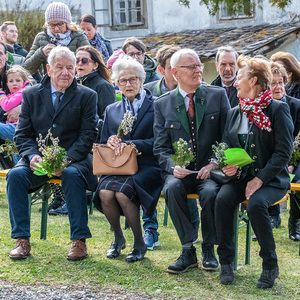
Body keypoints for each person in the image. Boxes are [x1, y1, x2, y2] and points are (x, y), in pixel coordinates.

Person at [7, 46, 98, 261]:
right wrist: (32, 156)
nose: (65, 72)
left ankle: (79, 241)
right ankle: (22, 240)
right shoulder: (31, 94)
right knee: (15, 175)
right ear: (48, 69)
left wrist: (67, 160)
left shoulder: (87, 95)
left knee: (72, 175)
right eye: (59, 67)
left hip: (74, 159)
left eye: (70, 67)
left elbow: (88, 135)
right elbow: (22, 134)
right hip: (38, 159)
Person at [214, 55, 293, 288]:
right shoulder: (235, 112)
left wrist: (260, 179)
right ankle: (226, 262)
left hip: (272, 179)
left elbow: (283, 153)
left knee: (257, 204)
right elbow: (228, 146)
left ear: (254, 80)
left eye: (240, 77)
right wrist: (227, 165)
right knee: (223, 199)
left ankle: (270, 265)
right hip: (241, 177)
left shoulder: (277, 110)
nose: (235, 82)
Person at [153, 48, 230, 274]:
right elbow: (160, 147)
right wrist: (172, 167)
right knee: (172, 189)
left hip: (210, 171)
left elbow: (227, 137)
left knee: (209, 193)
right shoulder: (162, 104)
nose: (198, 70)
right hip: (179, 173)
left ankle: (208, 248)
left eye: (199, 65)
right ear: (175, 73)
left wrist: (215, 162)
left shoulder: (217, 95)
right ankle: (188, 250)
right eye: (192, 67)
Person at [93, 55, 163, 262]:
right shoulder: (111, 109)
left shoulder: (157, 105)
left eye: (133, 79)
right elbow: (105, 140)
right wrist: (112, 141)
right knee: (105, 192)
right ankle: (118, 238)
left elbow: (162, 141)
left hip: (148, 165)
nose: (128, 84)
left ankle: (139, 242)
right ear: (116, 83)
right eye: (123, 80)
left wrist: (135, 145)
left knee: (123, 194)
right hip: (119, 165)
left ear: (141, 80)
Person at [144, 44, 200, 249]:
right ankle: (150, 228)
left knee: (184, 180)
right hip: (154, 153)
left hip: (185, 157)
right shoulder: (150, 93)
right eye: (170, 69)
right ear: (164, 71)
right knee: (146, 180)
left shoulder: (198, 92)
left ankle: (192, 228)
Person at [269, 62, 300, 241]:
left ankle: (294, 221)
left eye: (281, 82)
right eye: (273, 83)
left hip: (295, 158)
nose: (278, 87)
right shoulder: (261, 109)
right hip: (271, 159)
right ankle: (271, 218)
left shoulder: (296, 106)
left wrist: (290, 163)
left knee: (298, 180)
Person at [23, 1, 89, 77]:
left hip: (75, 83)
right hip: (50, 85)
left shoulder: (79, 37)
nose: (56, 28)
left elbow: (89, 64)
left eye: (60, 24)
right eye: (52, 25)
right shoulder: (41, 38)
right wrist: (41, 53)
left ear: (67, 23)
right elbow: (26, 69)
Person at [75, 45, 115, 121]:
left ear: (95, 65)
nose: (79, 63)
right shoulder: (72, 83)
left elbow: (108, 119)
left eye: (84, 60)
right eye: (76, 60)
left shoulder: (103, 86)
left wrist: (88, 124)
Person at [0, 65, 31, 142]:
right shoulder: (11, 95)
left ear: (24, 82)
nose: (14, 83)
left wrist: (1, 95)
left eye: (18, 81)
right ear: (7, 84)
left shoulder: (23, 92)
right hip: (12, 127)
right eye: (11, 81)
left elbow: (6, 106)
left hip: (18, 128)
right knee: (16, 152)